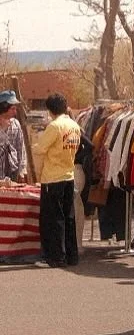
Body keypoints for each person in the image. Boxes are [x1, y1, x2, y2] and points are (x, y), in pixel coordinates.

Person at [33, 92, 82, 268]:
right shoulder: (74, 126)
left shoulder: (54, 126)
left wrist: (35, 142)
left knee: (52, 219)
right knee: (68, 218)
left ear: (50, 110)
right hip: (69, 175)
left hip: (53, 178)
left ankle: (55, 257)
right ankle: (71, 255)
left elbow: (40, 149)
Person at [0, 91, 27, 182]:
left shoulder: (15, 124)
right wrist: (3, 130)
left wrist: (22, 169)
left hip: (12, 171)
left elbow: (20, 148)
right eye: (12, 109)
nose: (15, 112)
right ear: (4, 107)